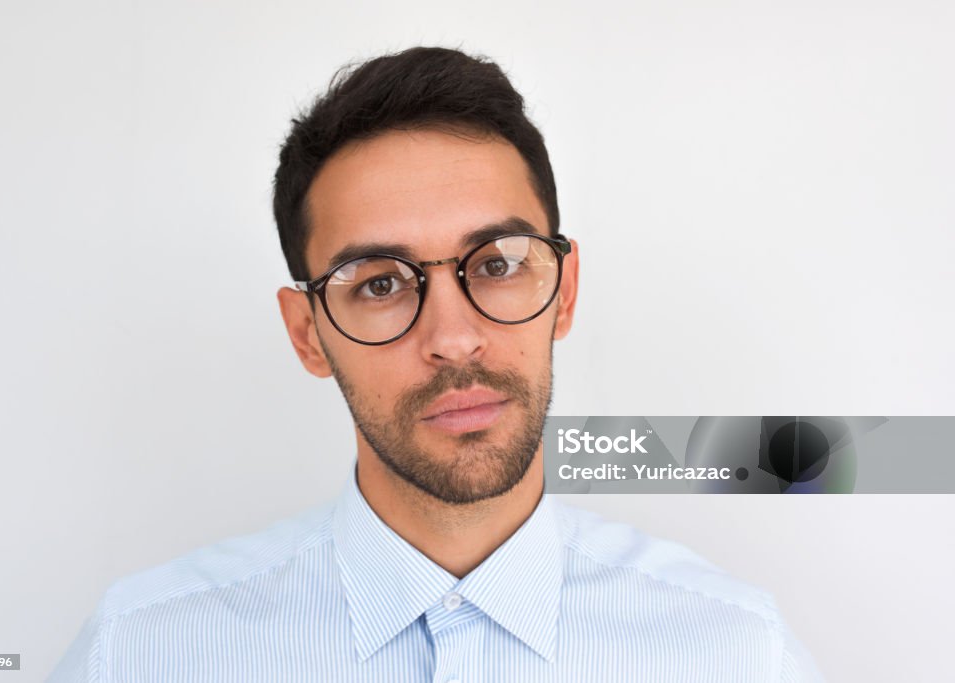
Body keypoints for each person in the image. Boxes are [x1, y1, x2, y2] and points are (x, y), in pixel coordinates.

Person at [49, 46, 823, 682]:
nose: (454, 338)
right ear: (308, 334)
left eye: (496, 265)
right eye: (381, 283)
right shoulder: (140, 652)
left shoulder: (738, 652)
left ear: (564, 291)